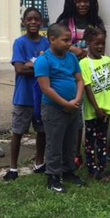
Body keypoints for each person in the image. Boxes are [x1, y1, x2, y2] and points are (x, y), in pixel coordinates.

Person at [56, 0, 105, 168]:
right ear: (73, 2)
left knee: (90, 115)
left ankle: (91, 152)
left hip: (92, 75)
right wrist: (74, 49)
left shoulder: (96, 22)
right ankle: (72, 153)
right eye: (79, 1)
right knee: (73, 116)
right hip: (70, 74)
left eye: (86, 1)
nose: (83, 4)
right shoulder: (64, 22)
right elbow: (56, 44)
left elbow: (101, 45)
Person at [35, 23, 85, 193]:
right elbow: (45, 88)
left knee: (70, 142)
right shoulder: (44, 60)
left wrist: (76, 100)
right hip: (54, 109)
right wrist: (65, 104)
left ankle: (68, 171)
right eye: (65, 40)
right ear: (52, 39)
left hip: (73, 106)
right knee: (54, 143)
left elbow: (79, 80)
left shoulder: (71, 58)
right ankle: (53, 177)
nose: (69, 43)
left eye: (69, 40)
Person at [3, 7, 49, 181]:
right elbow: (20, 69)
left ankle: (39, 163)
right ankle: (13, 168)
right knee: (18, 132)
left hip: (42, 96)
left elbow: (49, 66)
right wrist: (40, 68)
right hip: (23, 97)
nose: (33, 22)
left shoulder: (46, 43)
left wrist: (32, 64)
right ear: (23, 22)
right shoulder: (19, 43)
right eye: (29, 19)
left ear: (41, 22)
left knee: (42, 131)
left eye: (36, 19)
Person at [79, 27, 110, 182]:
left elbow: (107, 84)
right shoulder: (84, 63)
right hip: (93, 111)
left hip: (106, 109)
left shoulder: (106, 60)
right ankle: (92, 170)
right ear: (88, 43)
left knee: (103, 140)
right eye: (96, 43)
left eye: (103, 43)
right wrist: (96, 108)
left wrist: (108, 106)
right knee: (91, 142)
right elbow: (88, 87)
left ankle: (102, 168)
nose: (100, 46)